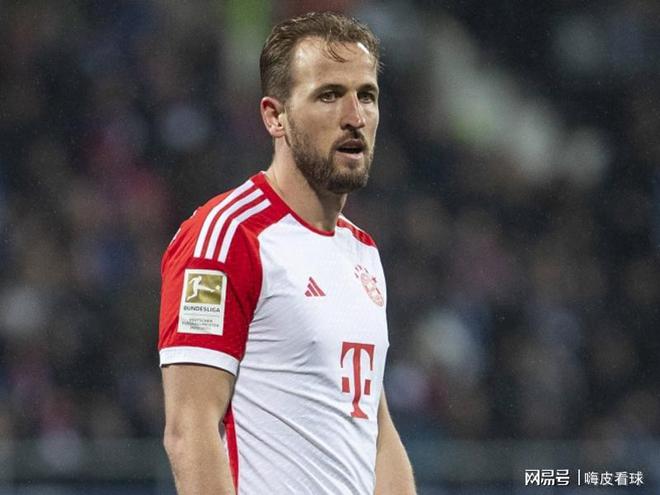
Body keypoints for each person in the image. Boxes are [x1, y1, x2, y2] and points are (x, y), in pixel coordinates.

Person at [158, 11, 416, 495]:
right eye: (329, 95)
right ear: (274, 117)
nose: (355, 117)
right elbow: (190, 431)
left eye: (366, 95)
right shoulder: (226, 238)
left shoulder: (362, 251)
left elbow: (377, 432)